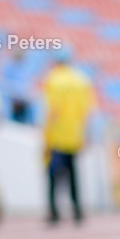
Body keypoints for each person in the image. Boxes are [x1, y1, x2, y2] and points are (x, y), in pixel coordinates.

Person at [42, 48, 96, 223]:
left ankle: (54, 212)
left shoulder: (53, 79)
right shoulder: (81, 80)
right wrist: (87, 134)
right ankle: (77, 210)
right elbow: (87, 111)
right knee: (73, 174)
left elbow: (53, 110)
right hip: (75, 134)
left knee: (52, 175)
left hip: (57, 135)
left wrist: (46, 134)